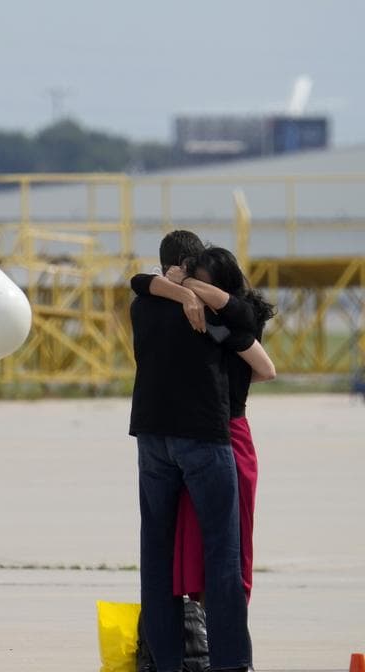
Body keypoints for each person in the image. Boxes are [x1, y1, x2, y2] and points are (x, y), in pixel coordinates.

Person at [128, 230, 251, 672]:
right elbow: (247, 318)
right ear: (193, 264)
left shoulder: (143, 305)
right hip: (202, 436)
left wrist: (173, 286)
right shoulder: (215, 311)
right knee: (222, 554)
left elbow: (138, 282)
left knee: (155, 557)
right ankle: (231, 662)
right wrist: (193, 292)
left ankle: (166, 662)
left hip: (152, 436)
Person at [134, 246, 276, 607]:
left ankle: (228, 621)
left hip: (229, 435)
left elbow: (267, 370)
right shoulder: (202, 321)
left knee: (231, 539)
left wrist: (226, 389)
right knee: (195, 540)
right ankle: (203, 622)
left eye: (200, 280)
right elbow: (139, 281)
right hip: (201, 435)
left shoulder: (234, 324)